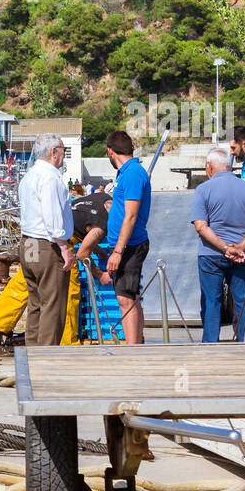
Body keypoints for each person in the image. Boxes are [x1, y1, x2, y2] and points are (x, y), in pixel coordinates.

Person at [0, 187, 109, 344]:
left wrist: (96, 248)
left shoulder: (101, 198)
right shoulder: (103, 223)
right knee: (68, 291)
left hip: (33, 237)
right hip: (58, 242)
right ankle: (67, 340)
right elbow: (82, 254)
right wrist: (100, 274)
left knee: (25, 280)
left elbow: (82, 221)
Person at [191, 147, 245, 342]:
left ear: (209, 167)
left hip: (211, 255)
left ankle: (210, 344)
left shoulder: (203, 190)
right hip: (243, 256)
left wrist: (224, 248)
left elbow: (201, 226)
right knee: (243, 300)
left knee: (212, 301)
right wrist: (241, 247)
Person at [16, 133, 74, 346]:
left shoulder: (29, 176)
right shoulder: (50, 177)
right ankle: (46, 356)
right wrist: (64, 247)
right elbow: (52, 217)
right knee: (53, 304)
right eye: (64, 150)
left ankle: (31, 354)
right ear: (54, 152)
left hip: (28, 244)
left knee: (36, 303)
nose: (64, 155)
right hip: (46, 246)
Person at [103, 130, 151, 344]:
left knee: (125, 297)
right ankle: (137, 342)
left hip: (129, 245)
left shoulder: (131, 173)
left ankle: (132, 349)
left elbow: (131, 215)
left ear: (110, 151)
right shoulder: (127, 172)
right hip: (126, 244)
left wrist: (117, 251)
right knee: (130, 295)